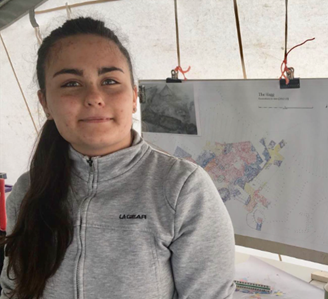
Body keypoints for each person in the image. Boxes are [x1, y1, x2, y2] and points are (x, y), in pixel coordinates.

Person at [0, 17, 236, 299]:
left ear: (134, 96)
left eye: (110, 80)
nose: (95, 97)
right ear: (45, 103)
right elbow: (13, 291)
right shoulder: (27, 191)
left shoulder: (183, 189)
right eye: (71, 83)